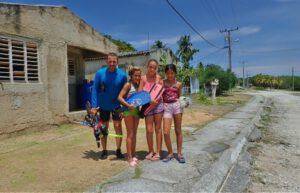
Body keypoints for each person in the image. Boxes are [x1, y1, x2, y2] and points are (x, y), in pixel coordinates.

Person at [91, 52, 127, 160]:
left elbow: (125, 93)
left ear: (117, 62)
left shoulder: (122, 75)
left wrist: (124, 109)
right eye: (110, 61)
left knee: (117, 127)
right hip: (103, 106)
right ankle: (104, 150)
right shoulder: (99, 73)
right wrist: (94, 106)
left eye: (114, 62)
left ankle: (118, 150)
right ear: (106, 62)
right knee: (103, 129)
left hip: (116, 106)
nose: (112, 64)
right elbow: (94, 90)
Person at [139, 59, 163, 161]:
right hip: (148, 106)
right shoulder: (143, 79)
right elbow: (140, 93)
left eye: (154, 67)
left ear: (156, 68)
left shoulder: (159, 78)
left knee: (158, 129)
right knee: (149, 130)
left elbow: (161, 91)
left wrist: (155, 101)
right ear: (147, 66)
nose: (152, 69)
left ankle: (158, 152)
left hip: (158, 105)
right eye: (150, 67)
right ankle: (150, 151)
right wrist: (149, 100)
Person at [118, 66, 142, 166]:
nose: (137, 77)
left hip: (136, 111)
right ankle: (129, 157)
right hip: (128, 111)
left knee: (134, 133)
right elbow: (119, 97)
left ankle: (133, 154)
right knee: (130, 133)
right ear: (131, 75)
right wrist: (128, 105)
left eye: (139, 75)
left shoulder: (138, 85)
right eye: (135, 75)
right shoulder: (128, 85)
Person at [161, 64, 185, 163]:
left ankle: (179, 154)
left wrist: (182, 109)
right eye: (168, 73)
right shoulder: (162, 83)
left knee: (178, 130)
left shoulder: (178, 84)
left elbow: (180, 96)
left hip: (176, 106)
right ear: (165, 73)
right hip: (166, 107)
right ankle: (170, 153)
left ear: (175, 73)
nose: (170, 75)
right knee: (166, 132)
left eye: (172, 73)